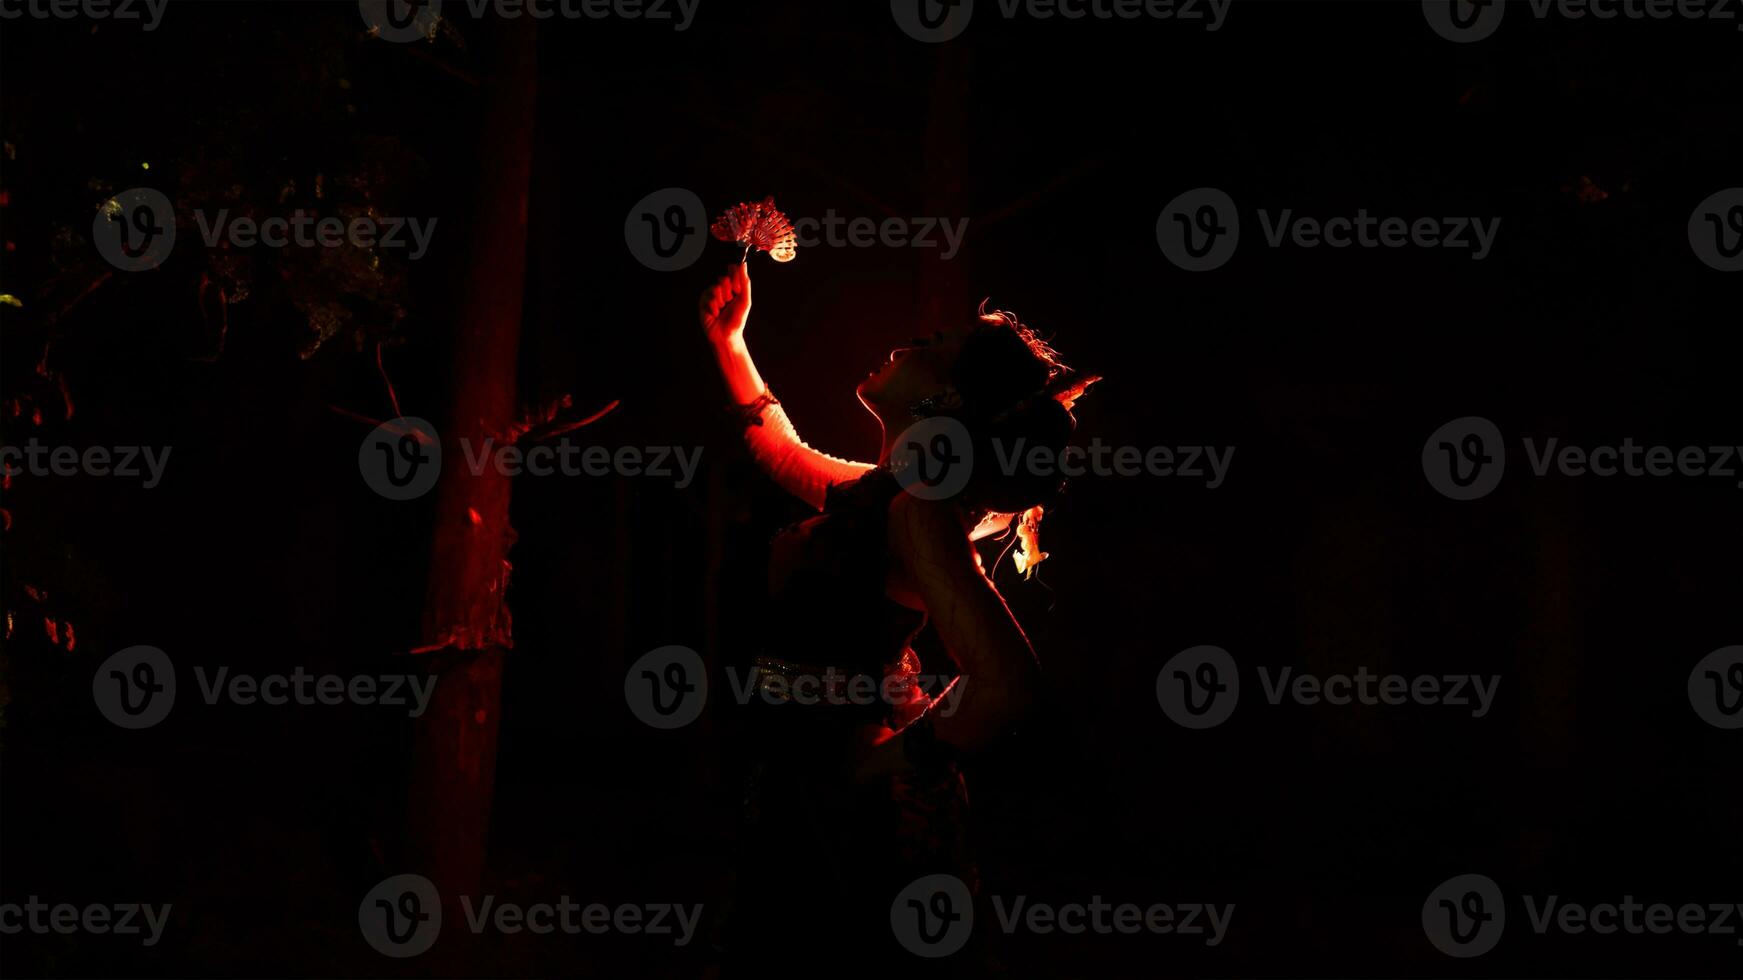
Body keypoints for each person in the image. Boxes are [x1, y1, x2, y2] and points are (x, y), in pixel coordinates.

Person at [701, 262, 1096, 974]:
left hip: (848, 811)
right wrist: (731, 342)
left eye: (934, 343)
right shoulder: (881, 497)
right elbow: (781, 454)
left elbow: (1008, 689)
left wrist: (892, 756)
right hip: (801, 782)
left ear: (943, 396)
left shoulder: (918, 516)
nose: (910, 339)